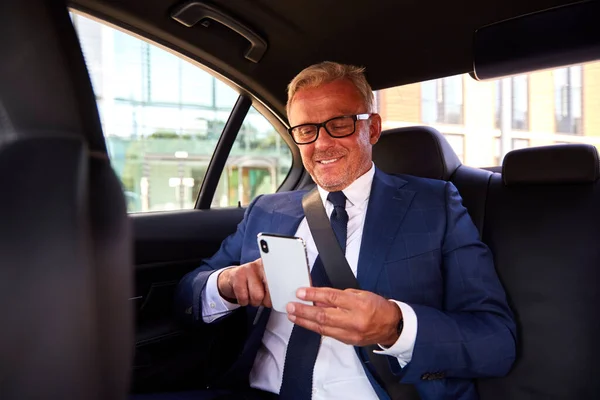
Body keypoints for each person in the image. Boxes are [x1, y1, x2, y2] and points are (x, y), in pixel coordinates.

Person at [167, 62, 516, 400]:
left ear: (373, 129)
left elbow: (496, 341)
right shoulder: (267, 210)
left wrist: (395, 327)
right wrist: (227, 284)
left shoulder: (434, 205)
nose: (321, 144)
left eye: (339, 124)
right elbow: (187, 295)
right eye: (306, 130)